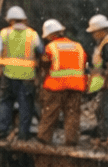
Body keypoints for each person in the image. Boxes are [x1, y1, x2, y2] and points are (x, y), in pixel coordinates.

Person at [0, 5, 41, 140]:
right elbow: (41, 50)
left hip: (8, 75)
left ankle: (2, 130)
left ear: (10, 20)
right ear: (24, 20)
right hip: (27, 77)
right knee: (26, 106)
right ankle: (23, 134)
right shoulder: (33, 34)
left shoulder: (4, 33)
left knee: (5, 102)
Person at [37, 18, 87, 146]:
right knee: (72, 113)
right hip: (76, 85)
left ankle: (44, 138)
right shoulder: (78, 46)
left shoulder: (50, 47)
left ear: (51, 34)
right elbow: (84, 63)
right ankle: (71, 140)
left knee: (51, 112)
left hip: (56, 86)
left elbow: (44, 64)